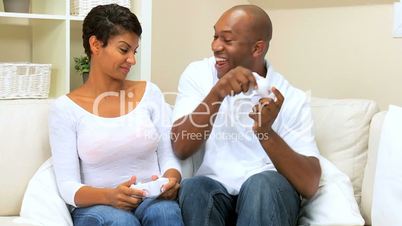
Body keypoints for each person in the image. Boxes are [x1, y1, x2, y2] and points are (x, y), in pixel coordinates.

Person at [171, 4, 321, 226]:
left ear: (257, 49)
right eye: (215, 36)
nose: (215, 46)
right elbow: (181, 147)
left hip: (268, 194)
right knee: (194, 187)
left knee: (261, 185)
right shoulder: (199, 74)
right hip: (215, 190)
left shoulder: (289, 96)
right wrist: (217, 93)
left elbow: (309, 184)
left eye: (227, 40)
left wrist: (265, 132)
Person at [49, 4, 184, 226]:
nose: (132, 60)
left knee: (165, 215)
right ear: (95, 44)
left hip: (151, 198)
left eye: (135, 51)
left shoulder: (150, 93)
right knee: (122, 222)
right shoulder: (65, 109)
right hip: (98, 207)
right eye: (124, 50)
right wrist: (110, 196)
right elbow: (67, 185)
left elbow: (169, 156)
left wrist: (170, 180)